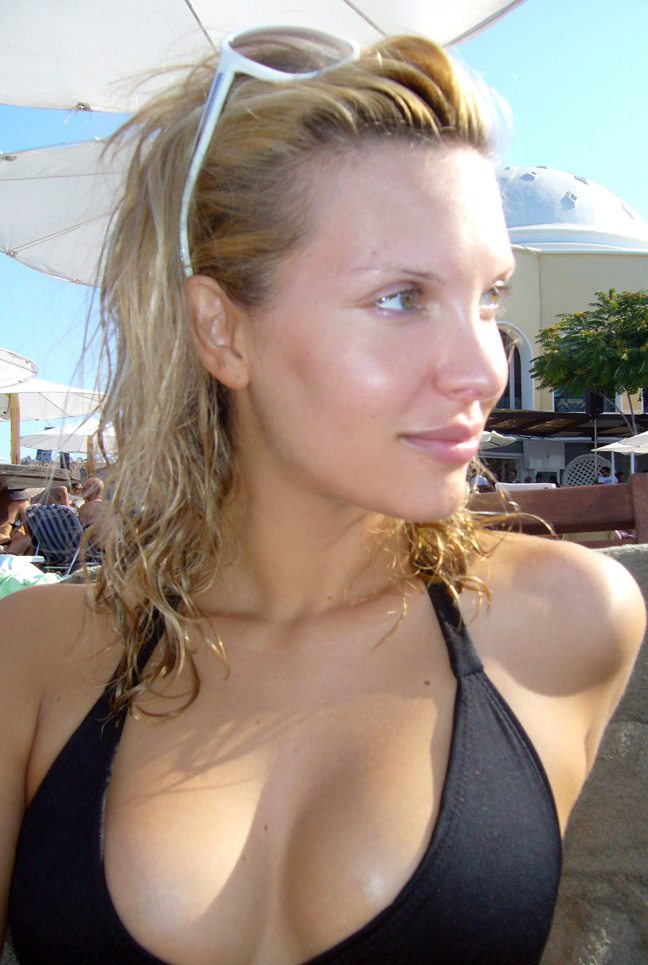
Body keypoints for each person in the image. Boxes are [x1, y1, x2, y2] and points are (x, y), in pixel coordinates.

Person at [0, 28, 644, 965]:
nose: (484, 369)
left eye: (490, 297)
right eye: (402, 297)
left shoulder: (564, 623)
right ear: (222, 330)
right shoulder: (34, 659)